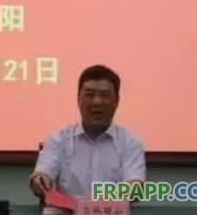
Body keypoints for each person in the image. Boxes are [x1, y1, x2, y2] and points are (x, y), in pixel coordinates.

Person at [29, 65, 145, 198]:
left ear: (116, 101)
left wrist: (97, 202)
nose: (97, 102)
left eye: (105, 95)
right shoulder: (58, 139)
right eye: (89, 95)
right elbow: (42, 175)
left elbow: (135, 188)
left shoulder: (130, 143)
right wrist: (40, 181)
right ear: (78, 99)